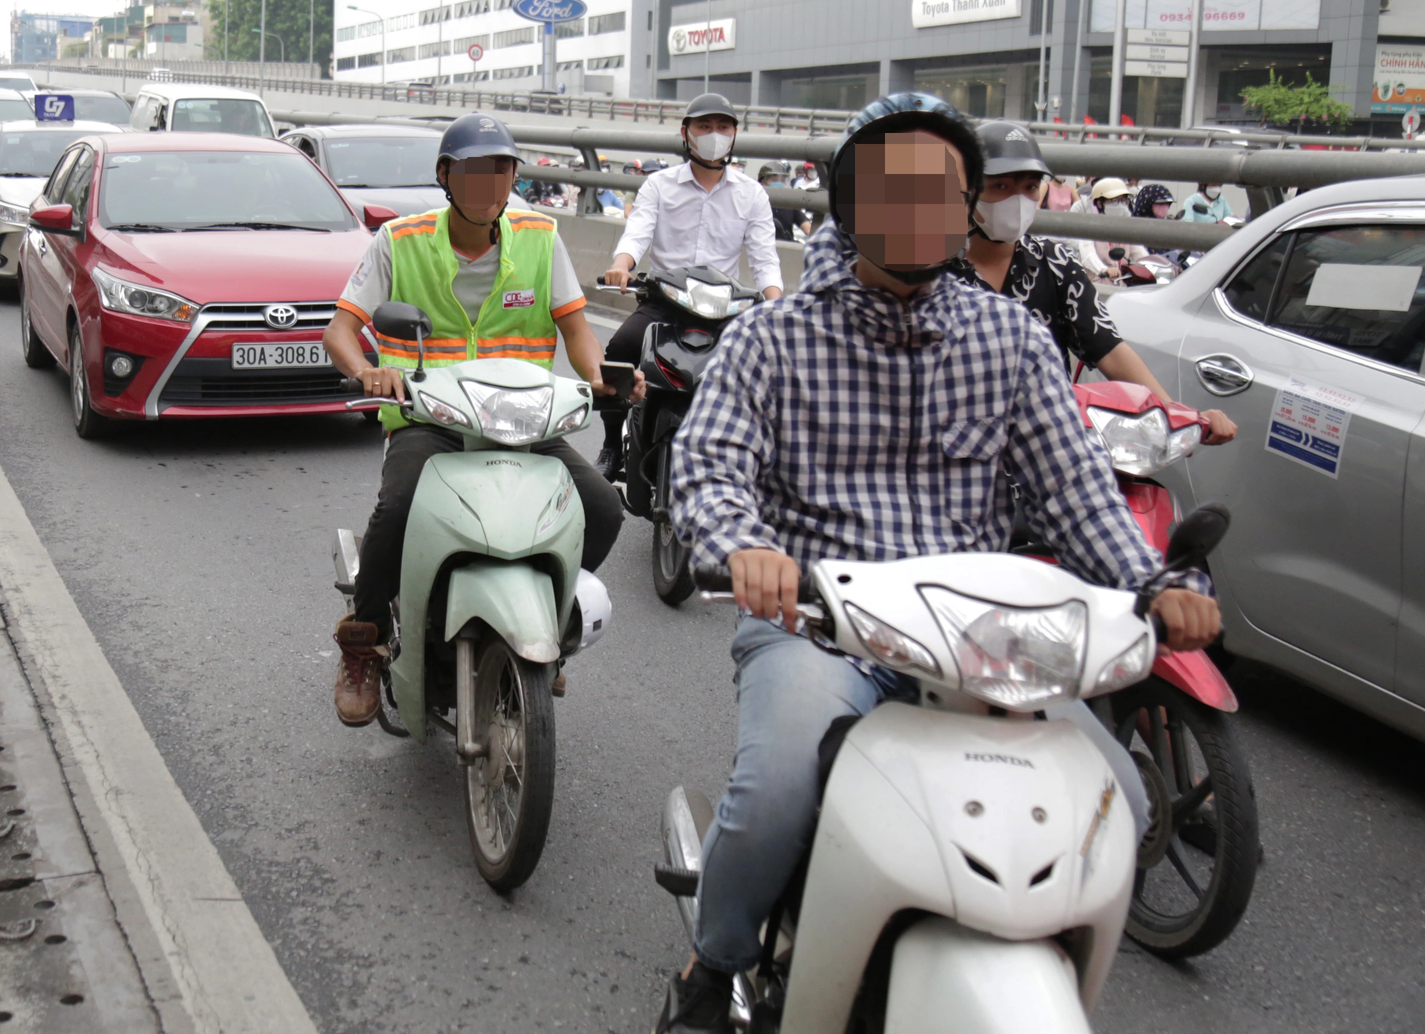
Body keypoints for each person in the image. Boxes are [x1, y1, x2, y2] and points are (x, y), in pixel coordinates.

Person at [654, 94, 1225, 1033]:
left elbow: (1078, 495)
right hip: (822, 624)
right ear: (845, 204)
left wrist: (1160, 585)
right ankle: (711, 968)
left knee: (1117, 796)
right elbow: (709, 468)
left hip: (983, 643)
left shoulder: (1012, 338)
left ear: (965, 208)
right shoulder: (772, 336)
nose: (918, 212)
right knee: (775, 785)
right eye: (893, 191)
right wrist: (746, 549)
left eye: (940, 193)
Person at [322, 113, 635, 727]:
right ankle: (363, 644)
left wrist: (600, 374)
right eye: (474, 170)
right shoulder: (400, 241)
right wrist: (368, 372)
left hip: (523, 423)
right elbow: (341, 332)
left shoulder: (541, 238)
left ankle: (549, 624)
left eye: (501, 170)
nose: (489, 183)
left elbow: (577, 330)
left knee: (600, 508)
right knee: (397, 508)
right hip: (429, 418)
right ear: (445, 176)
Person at [943, 124, 1235, 444]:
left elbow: (1107, 347)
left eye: (1029, 187)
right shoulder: (930, 271)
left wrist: (1177, 413)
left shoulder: (1054, 263)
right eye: (1000, 186)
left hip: (1046, 444)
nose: (1018, 200)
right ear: (967, 190)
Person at [596, 93, 786, 480]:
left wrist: (776, 304)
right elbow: (638, 232)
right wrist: (621, 264)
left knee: (766, 370)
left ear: (734, 135)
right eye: (704, 126)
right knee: (620, 349)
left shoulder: (752, 194)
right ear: (686, 133)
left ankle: (754, 460)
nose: (714, 135)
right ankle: (612, 445)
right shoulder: (659, 185)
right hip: (665, 301)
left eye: (722, 127)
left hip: (725, 307)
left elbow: (765, 260)